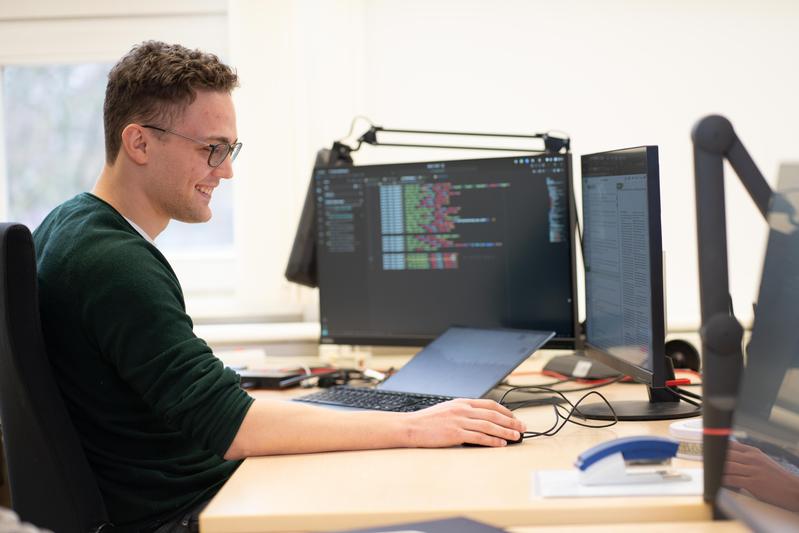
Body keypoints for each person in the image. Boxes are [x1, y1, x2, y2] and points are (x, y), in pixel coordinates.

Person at [32, 41, 525, 532]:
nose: (225, 170)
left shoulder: (70, 226)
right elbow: (232, 427)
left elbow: (194, 399)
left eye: (230, 149)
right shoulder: (114, 262)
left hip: (190, 492)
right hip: (190, 512)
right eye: (212, 149)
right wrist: (414, 426)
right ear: (138, 143)